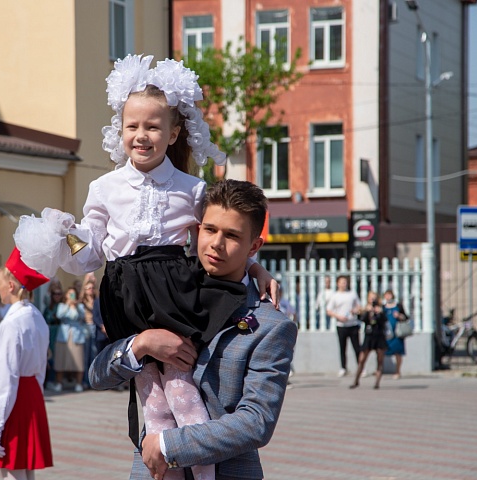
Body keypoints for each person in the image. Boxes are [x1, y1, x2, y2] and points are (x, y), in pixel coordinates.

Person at [15, 56, 279, 478]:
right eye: (132, 126)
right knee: (150, 395)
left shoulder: (193, 189)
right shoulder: (103, 187)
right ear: (118, 131)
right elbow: (91, 253)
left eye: (153, 127)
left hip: (174, 291)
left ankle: (201, 468)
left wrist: (256, 270)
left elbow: (216, 239)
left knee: (180, 385)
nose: (141, 136)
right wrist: (66, 236)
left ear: (173, 132)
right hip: (126, 293)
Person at [89, 179, 297, 480]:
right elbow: (97, 376)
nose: (216, 244)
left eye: (232, 236)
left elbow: (256, 422)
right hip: (151, 473)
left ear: (254, 246)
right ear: (196, 229)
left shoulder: (271, 324)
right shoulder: (162, 290)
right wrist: (141, 344)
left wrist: (167, 444)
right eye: (210, 229)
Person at [0, 247, 53, 478]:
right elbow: (41, 366)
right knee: (26, 467)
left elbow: (7, 376)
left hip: (13, 397)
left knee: (12, 468)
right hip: (31, 392)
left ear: (11, 286)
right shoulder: (37, 316)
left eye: (0, 284)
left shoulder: (11, 323)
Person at [50, 287, 86, 393]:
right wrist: (68, 306)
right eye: (69, 294)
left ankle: (78, 383)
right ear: (66, 295)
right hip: (64, 335)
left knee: (78, 360)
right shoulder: (62, 306)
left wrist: (75, 306)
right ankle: (59, 383)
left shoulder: (80, 306)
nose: (71, 296)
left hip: (76, 335)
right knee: (60, 360)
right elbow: (59, 315)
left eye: (73, 294)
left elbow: (82, 316)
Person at [350, 291, 388, 390]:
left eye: (374, 298)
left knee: (380, 360)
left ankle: (377, 383)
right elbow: (361, 319)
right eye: (371, 298)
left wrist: (379, 312)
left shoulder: (382, 308)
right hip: (369, 336)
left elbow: (385, 320)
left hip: (379, 335)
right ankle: (356, 380)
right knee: (362, 359)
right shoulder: (366, 308)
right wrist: (366, 312)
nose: (373, 300)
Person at [326, 275, 362, 377]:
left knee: (357, 347)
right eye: (342, 282)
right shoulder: (335, 296)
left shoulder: (352, 294)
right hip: (341, 325)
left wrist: (355, 310)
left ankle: (360, 367)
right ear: (338, 283)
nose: (344, 284)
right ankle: (343, 368)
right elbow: (329, 311)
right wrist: (338, 316)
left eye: (345, 282)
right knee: (343, 347)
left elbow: (359, 307)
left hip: (353, 324)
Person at [42, 279, 63, 390]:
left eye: (59, 294)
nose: (57, 296)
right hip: (51, 331)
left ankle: (57, 380)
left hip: (60, 331)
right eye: (55, 294)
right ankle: (49, 380)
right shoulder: (48, 307)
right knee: (50, 356)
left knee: (58, 357)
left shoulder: (63, 305)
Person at [383, 289, 408, 379]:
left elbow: (406, 317)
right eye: (386, 295)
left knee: (398, 352)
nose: (388, 297)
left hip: (397, 332)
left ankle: (398, 371)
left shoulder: (398, 306)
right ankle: (380, 369)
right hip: (386, 333)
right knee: (382, 351)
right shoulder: (383, 307)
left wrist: (399, 316)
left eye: (389, 295)